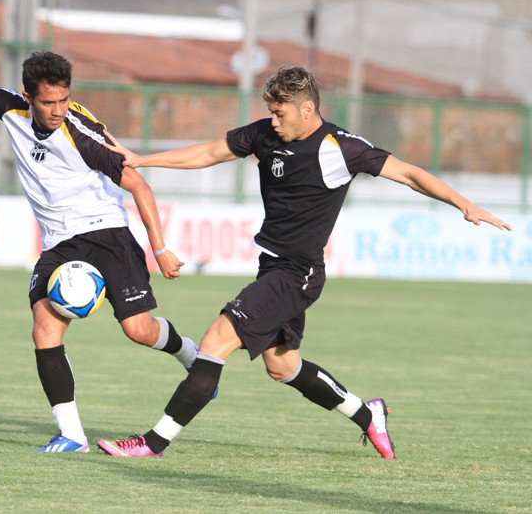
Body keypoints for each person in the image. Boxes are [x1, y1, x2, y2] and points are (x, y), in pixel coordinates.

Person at [96, 65, 512, 459]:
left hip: (298, 274)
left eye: (280, 113)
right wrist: (143, 160)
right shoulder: (264, 134)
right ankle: (368, 414)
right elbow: (209, 153)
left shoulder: (341, 147)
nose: (273, 121)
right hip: (273, 267)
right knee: (282, 366)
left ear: (307, 109)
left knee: (215, 341)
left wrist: (464, 204)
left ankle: (152, 442)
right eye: (270, 113)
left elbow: (409, 174)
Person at [0, 17, 202, 453]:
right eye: (49, 102)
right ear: (29, 97)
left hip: (106, 232)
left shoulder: (80, 134)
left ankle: (193, 360)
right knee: (44, 329)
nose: (59, 109)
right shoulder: (10, 107)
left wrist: (159, 248)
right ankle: (72, 435)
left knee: (139, 331)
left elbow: (138, 184)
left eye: (65, 99)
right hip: (58, 243)